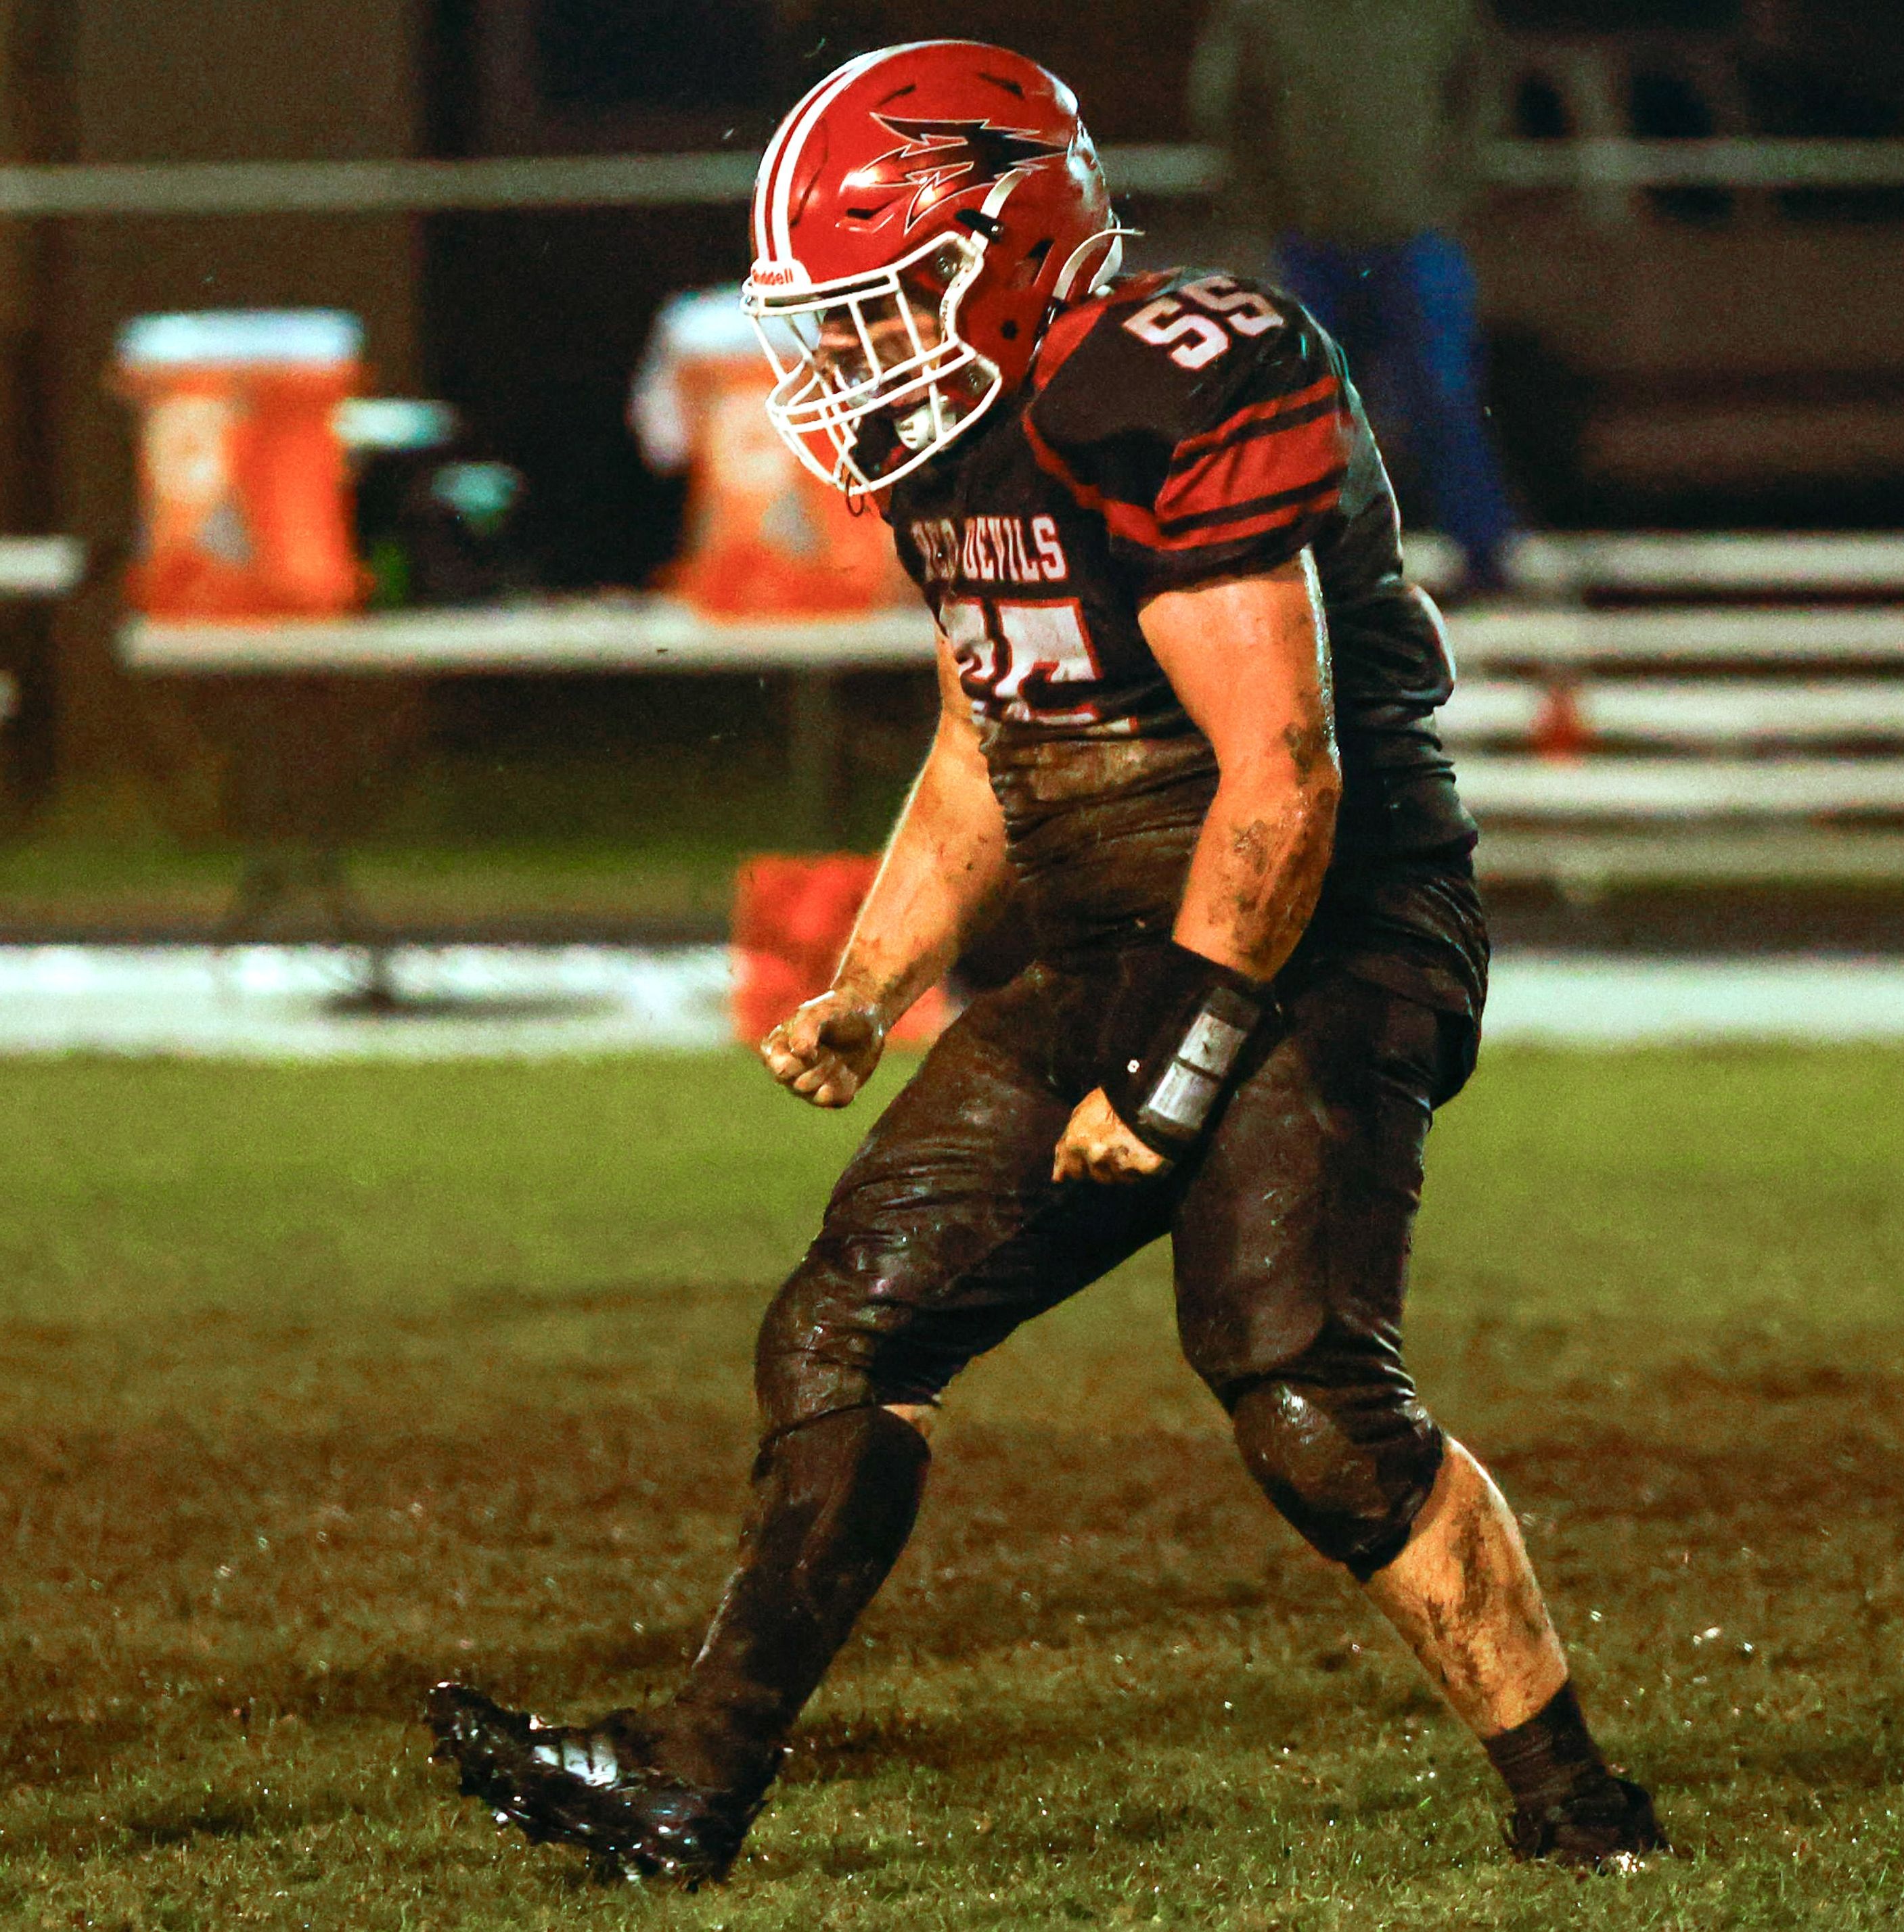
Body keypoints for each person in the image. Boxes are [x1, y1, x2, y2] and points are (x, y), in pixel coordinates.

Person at [422, 39, 1666, 1884]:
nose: (849, 357)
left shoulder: (1184, 374)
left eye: (880, 300)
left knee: (1303, 1389)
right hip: (1110, 941)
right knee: (847, 1325)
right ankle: (686, 1795)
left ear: (1004, 241)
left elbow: (1285, 775)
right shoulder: (964, 427)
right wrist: (867, 973)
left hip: (1331, 937)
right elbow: (986, 730)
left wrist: (1165, 1076)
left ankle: (1578, 1806)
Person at [1189, 0, 1522, 597]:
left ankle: (1485, 553)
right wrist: (1268, 202)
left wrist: (1451, 185)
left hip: (1413, 232)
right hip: (1312, 237)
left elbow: (1484, 82)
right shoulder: (1261, 14)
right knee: (1307, 408)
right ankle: (1314, 566)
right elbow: (1224, 103)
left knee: (1441, 393)